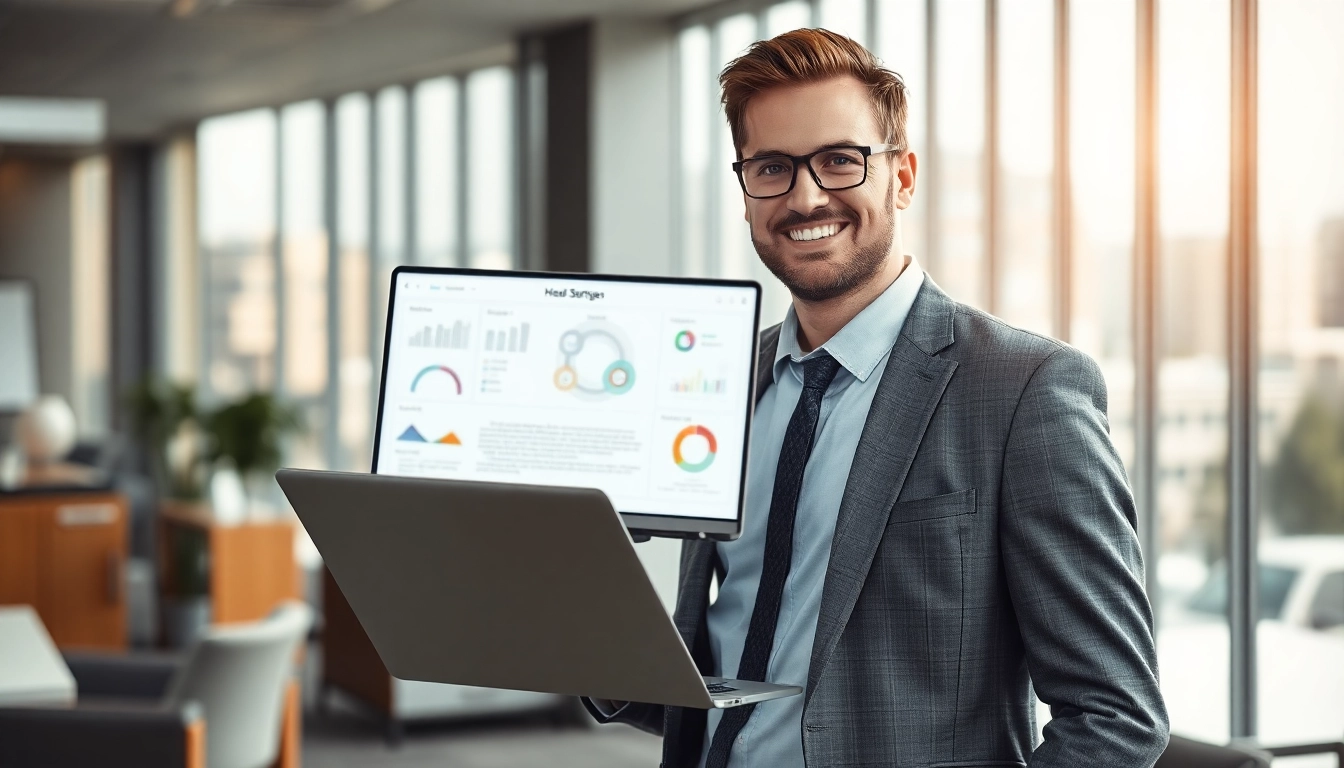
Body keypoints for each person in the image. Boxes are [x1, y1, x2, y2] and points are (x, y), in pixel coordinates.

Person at [586, 28, 1168, 767]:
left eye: (839, 160)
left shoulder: (1025, 391)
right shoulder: (720, 381)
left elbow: (1116, 714)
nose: (804, 196)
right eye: (772, 167)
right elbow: (725, 682)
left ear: (902, 175)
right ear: (745, 191)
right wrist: (576, 610)